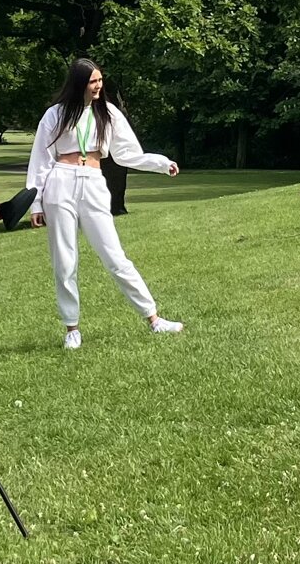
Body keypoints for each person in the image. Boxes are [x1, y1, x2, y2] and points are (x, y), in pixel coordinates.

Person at [25, 58, 183, 348]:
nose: (98, 86)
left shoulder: (108, 113)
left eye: (100, 81)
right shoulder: (55, 115)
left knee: (115, 256)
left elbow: (128, 153)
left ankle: (153, 317)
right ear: (79, 84)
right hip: (61, 182)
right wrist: (36, 202)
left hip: (94, 182)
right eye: (92, 82)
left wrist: (161, 163)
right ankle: (72, 328)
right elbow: (41, 160)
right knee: (65, 259)